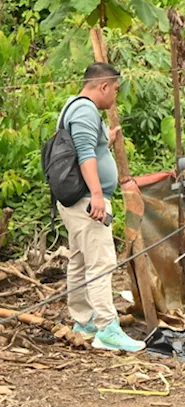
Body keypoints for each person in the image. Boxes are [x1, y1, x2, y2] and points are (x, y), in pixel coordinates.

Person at [56, 62, 144, 353]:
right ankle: (107, 328)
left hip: (78, 201)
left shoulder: (75, 107)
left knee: (80, 261)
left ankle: (84, 321)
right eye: (115, 90)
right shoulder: (84, 110)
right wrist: (96, 194)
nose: (115, 96)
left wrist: (106, 140)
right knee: (100, 263)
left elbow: (89, 145)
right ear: (103, 86)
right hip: (86, 200)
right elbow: (84, 155)